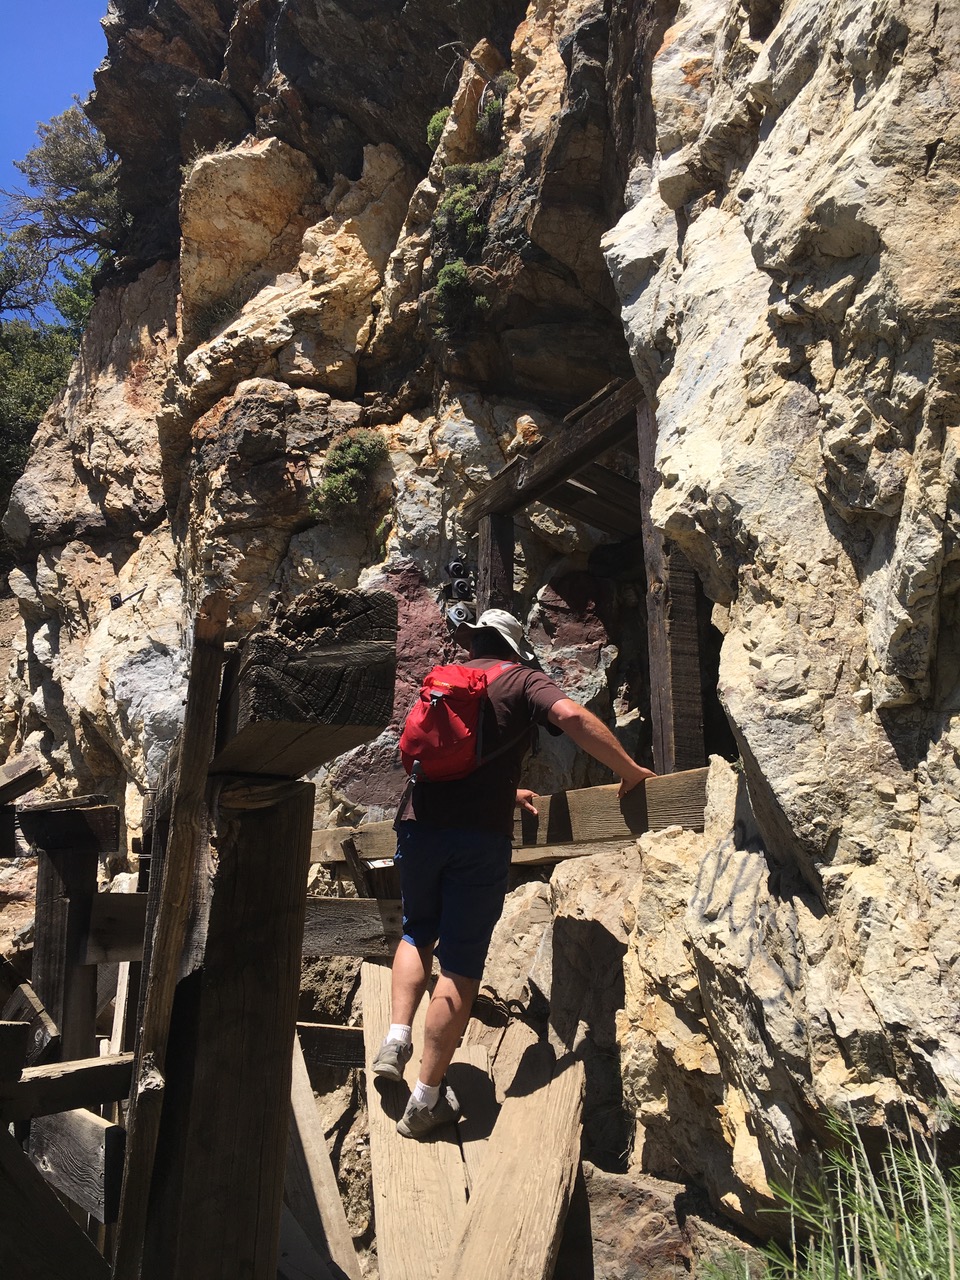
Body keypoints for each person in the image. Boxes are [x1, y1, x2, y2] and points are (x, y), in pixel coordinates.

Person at [373, 608, 655, 1139]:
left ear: (476, 640)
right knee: (459, 963)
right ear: (515, 644)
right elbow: (571, 717)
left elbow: (446, 761)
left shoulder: (447, 680)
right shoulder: (522, 678)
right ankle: (426, 1099)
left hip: (416, 825)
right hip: (477, 839)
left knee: (416, 931)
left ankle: (395, 1037)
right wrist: (629, 770)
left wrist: (509, 790)